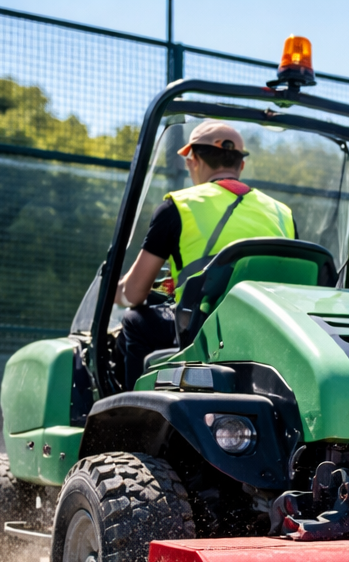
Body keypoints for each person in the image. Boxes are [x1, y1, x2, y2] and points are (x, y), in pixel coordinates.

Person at [114, 120, 296, 389]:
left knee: (134, 322)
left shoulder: (178, 206)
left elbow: (134, 294)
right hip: (271, 333)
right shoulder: (283, 213)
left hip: (206, 335)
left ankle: (131, 417)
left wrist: (116, 292)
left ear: (193, 160)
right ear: (240, 165)